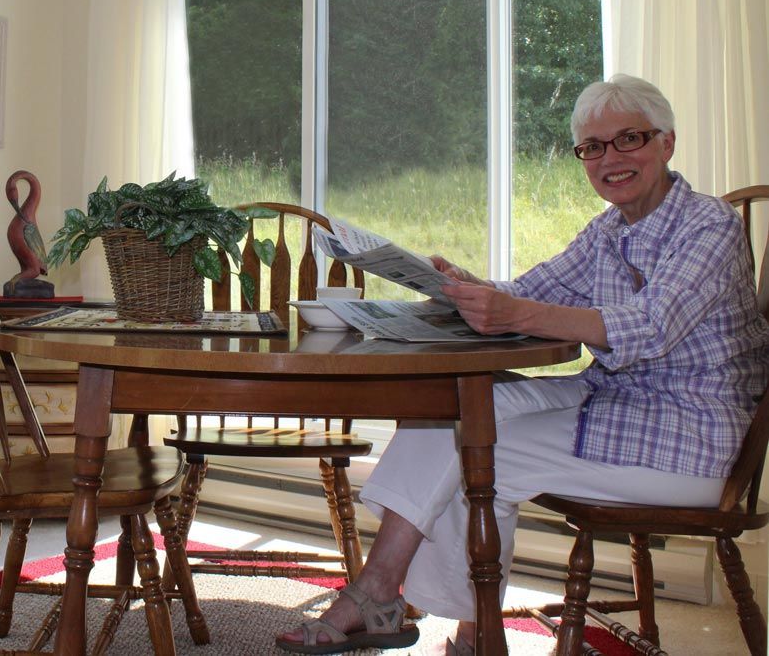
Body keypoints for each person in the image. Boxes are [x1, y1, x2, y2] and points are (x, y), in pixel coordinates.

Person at [276, 73, 769, 655]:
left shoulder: (707, 225)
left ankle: (438, 621)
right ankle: (406, 604)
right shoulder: (609, 230)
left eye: (628, 139)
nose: (610, 158)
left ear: (667, 143)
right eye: (592, 147)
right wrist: (465, 287)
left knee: (480, 451)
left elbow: (651, 325)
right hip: (613, 399)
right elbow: (536, 290)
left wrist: (516, 309)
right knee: (452, 406)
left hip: (692, 435)